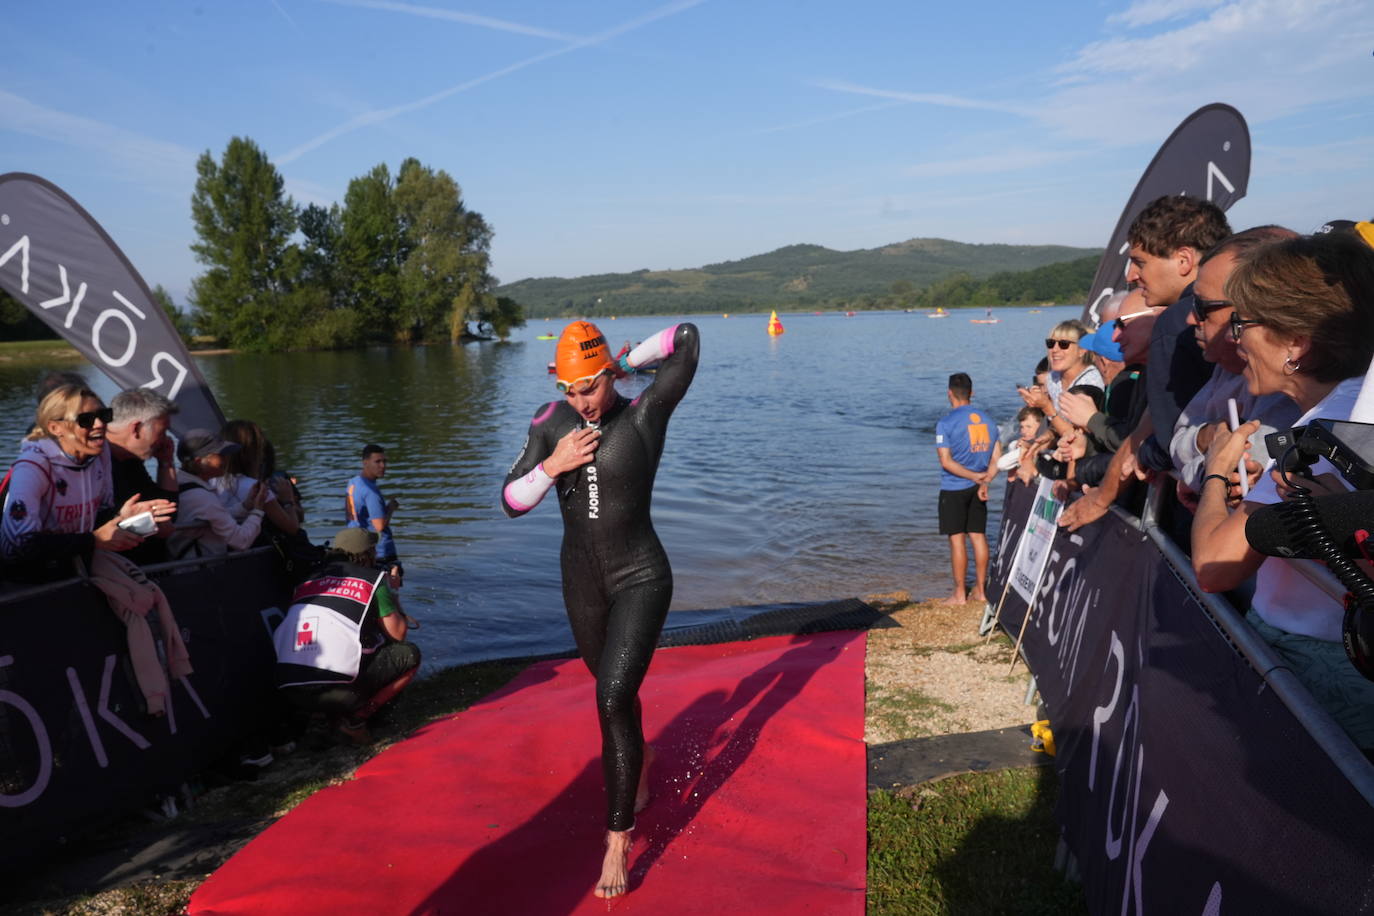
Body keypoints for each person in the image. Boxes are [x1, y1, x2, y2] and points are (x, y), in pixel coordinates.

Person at [501, 319, 699, 899]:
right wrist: (554, 464)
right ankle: (641, 754)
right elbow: (511, 500)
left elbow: (686, 338)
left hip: (642, 577)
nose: (581, 400)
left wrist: (627, 361)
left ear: (609, 374)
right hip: (581, 583)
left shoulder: (644, 415)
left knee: (610, 697)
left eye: (590, 386)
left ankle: (618, 840)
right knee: (616, 693)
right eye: (570, 389)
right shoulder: (549, 422)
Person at [1192, 231, 1374, 748]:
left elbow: (1213, 565)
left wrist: (1215, 473)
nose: (1233, 339)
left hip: (1325, 665)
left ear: (1296, 343)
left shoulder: (1324, 438)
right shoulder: (1354, 410)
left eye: (1243, 322)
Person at [1170, 226, 1302, 504]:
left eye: (1203, 306)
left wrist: (1203, 476)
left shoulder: (1287, 385)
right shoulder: (1227, 367)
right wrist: (1207, 438)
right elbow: (1179, 439)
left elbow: (1245, 469)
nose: (1191, 320)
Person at [1, 383, 175, 581]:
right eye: (86, 420)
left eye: (104, 415)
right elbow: (16, 545)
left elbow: (97, 519)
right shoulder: (33, 467)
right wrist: (94, 540)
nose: (100, 424)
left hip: (76, 576)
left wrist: (123, 516)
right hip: (28, 586)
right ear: (55, 427)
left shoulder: (100, 456)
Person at [273, 527, 420, 746]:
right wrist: (393, 591)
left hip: (289, 688)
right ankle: (355, 720)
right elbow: (398, 633)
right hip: (337, 690)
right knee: (409, 655)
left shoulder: (308, 579)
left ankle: (319, 720)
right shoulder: (373, 579)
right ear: (368, 554)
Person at [935, 372, 1001, 605]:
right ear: (972, 393)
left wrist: (972, 476)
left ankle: (959, 593)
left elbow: (946, 461)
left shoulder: (945, 423)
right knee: (978, 536)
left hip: (954, 487)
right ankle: (981, 592)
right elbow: (997, 458)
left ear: (949, 393)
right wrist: (984, 480)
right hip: (978, 488)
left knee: (957, 539)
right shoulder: (989, 421)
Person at [106, 387, 180, 565]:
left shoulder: (130, 459)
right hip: (117, 571)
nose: (165, 440)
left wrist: (166, 463)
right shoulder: (95, 462)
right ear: (136, 428)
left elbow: (167, 511)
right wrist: (149, 525)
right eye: (162, 432)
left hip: (143, 570)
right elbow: (95, 526)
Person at [168, 429, 268, 558]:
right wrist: (258, 510)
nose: (227, 459)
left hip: (185, 568)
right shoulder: (200, 497)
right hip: (201, 572)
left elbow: (215, 518)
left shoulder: (179, 483)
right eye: (221, 454)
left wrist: (246, 505)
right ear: (199, 462)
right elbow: (241, 541)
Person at [346, 444, 401, 588]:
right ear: (365, 463)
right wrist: (390, 508)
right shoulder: (371, 492)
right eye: (377, 462)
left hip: (357, 547)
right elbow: (379, 526)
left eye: (384, 461)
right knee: (390, 595)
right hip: (380, 551)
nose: (383, 466)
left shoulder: (353, 483)